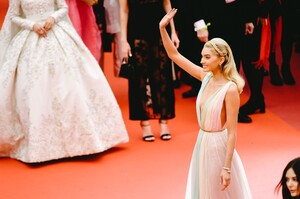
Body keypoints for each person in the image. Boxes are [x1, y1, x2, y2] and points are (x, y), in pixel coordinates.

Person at [0, 0, 129, 163]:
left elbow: (63, 8)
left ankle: (82, 138)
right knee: (35, 91)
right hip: (30, 39)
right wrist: (31, 25)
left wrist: (52, 19)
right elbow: (13, 16)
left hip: (56, 34)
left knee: (70, 88)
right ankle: (42, 143)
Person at [160, 9, 252, 198]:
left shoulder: (230, 89)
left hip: (218, 146)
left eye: (207, 57)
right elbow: (174, 55)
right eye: (202, 56)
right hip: (202, 143)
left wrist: (227, 168)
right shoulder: (205, 77)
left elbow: (233, 132)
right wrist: (162, 28)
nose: (201, 61)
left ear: (221, 59)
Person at [119, 0, 179, 142]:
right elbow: (123, 10)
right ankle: (144, 122)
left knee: (163, 76)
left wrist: (173, 32)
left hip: (160, 31)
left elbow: (167, 5)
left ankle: (164, 122)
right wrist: (123, 40)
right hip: (136, 31)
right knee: (139, 77)